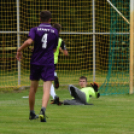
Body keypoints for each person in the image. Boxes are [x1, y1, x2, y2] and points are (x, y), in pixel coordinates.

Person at [16, 10, 59, 122]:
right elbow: (54, 49)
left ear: (40, 19)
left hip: (36, 61)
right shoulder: (54, 31)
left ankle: (31, 113)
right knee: (46, 89)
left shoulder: (34, 29)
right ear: (50, 20)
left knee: (33, 88)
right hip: (48, 62)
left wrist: (19, 50)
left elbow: (29, 42)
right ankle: (43, 110)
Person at [50, 23, 69, 102]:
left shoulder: (48, 38)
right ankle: (55, 75)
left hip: (46, 59)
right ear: (60, 31)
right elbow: (66, 53)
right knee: (49, 80)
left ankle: (54, 96)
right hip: (54, 61)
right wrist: (61, 50)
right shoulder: (60, 40)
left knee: (46, 80)